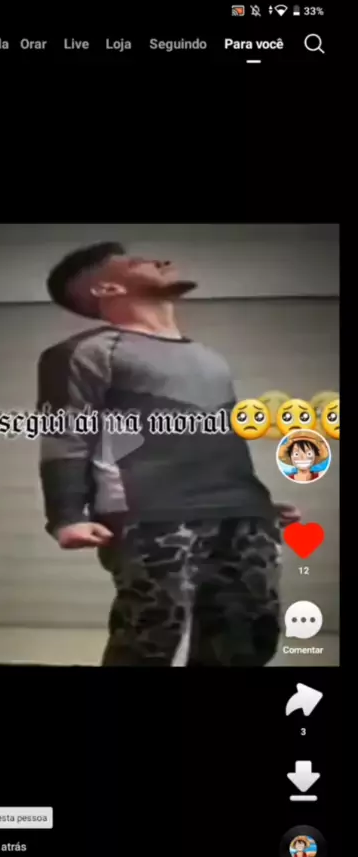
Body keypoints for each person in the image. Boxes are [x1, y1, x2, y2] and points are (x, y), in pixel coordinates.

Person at [38, 242, 300, 667]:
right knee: (150, 637)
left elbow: (220, 438)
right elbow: (64, 435)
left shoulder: (209, 357)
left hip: (241, 511)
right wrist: (66, 516)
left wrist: (257, 500)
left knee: (246, 638)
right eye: (136, 262)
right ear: (106, 287)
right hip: (150, 514)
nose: (161, 260)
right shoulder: (84, 353)